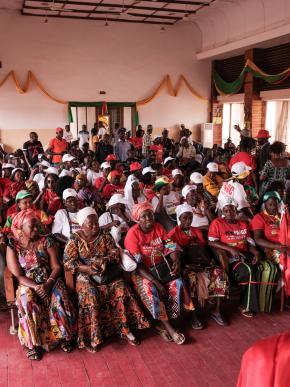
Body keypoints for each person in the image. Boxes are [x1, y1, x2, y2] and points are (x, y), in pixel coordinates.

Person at [64, 207, 149, 352]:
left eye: (96, 223)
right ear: (82, 225)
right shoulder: (75, 239)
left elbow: (115, 252)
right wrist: (87, 268)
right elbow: (67, 262)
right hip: (86, 276)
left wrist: (105, 260)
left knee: (121, 288)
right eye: (90, 225)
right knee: (90, 295)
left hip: (106, 272)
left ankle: (124, 329)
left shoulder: (104, 235)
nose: (95, 226)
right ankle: (94, 336)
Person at [6, 209, 76, 360]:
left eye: (37, 225)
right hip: (28, 283)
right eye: (32, 226)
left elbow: (57, 266)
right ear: (21, 228)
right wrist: (37, 287)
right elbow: (18, 275)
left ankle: (61, 336)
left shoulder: (47, 240)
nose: (37, 229)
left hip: (50, 278)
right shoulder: (13, 246)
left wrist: (48, 284)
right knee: (26, 300)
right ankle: (32, 344)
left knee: (59, 298)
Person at [125, 202, 192, 344]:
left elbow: (171, 245)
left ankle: (168, 320)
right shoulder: (133, 235)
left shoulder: (158, 227)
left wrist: (176, 262)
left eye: (150, 214)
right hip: (143, 272)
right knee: (151, 289)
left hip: (161, 267)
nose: (148, 218)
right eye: (144, 216)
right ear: (138, 219)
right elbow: (137, 265)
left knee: (177, 282)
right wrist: (155, 281)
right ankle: (169, 327)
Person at [168, 203, 228, 327]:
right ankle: (192, 315)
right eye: (185, 218)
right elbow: (172, 254)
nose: (188, 220)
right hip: (186, 265)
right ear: (179, 218)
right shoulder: (173, 234)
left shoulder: (196, 231)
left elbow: (202, 249)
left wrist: (210, 260)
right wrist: (185, 265)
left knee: (219, 274)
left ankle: (215, 310)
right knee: (191, 278)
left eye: (190, 217)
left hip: (201, 262)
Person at [208, 198, 260, 318]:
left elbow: (250, 243)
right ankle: (245, 305)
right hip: (230, 258)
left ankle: (257, 301)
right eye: (225, 210)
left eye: (231, 210)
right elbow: (211, 242)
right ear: (222, 211)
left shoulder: (243, 224)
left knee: (261, 267)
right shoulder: (217, 223)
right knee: (247, 270)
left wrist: (256, 252)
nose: (229, 213)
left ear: (236, 210)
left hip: (245, 255)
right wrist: (230, 249)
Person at [251, 191, 285, 312]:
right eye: (270, 204)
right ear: (265, 204)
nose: (273, 207)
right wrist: (277, 246)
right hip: (271, 249)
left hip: (285, 247)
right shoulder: (259, 217)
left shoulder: (283, 216)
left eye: (275, 204)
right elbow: (258, 238)